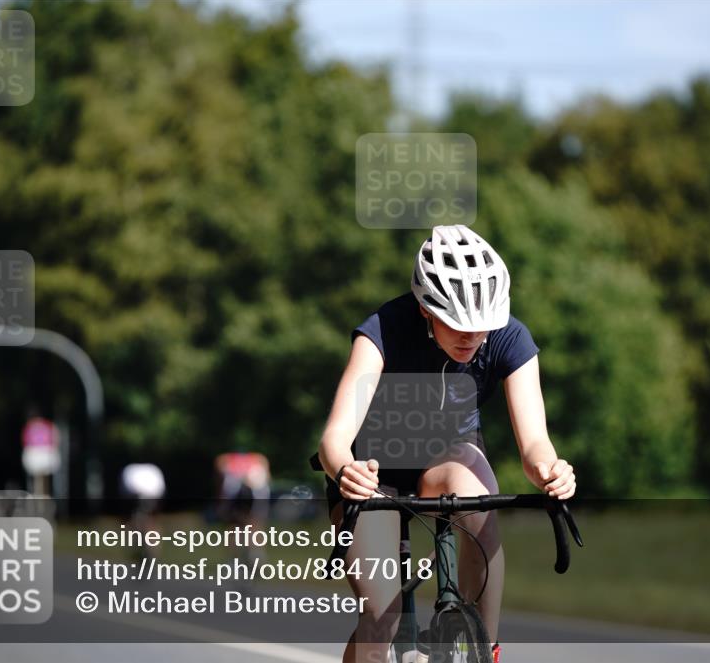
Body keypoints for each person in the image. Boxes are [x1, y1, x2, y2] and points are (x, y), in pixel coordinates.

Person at [316, 224, 577, 663]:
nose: (472, 338)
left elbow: (535, 444)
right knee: (382, 615)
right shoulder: (383, 329)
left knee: (476, 494)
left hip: (447, 458)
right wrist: (346, 470)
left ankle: (483, 645)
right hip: (373, 469)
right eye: (456, 324)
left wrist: (552, 471)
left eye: (483, 327)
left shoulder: (511, 339)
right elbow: (334, 439)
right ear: (424, 309)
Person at [214, 451, 271, 563]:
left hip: (244, 494)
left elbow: (220, 480)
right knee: (252, 524)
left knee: (236, 526)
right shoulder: (259, 459)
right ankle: (253, 555)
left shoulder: (226, 460)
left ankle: (242, 557)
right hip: (251, 493)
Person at [119, 463, 166, 560]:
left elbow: (124, 491)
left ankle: (136, 545)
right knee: (152, 521)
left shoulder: (129, 468)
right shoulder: (153, 468)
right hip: (153, 495)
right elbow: (161, 490)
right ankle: (152, 549)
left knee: (132, 521)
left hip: (135, 495)